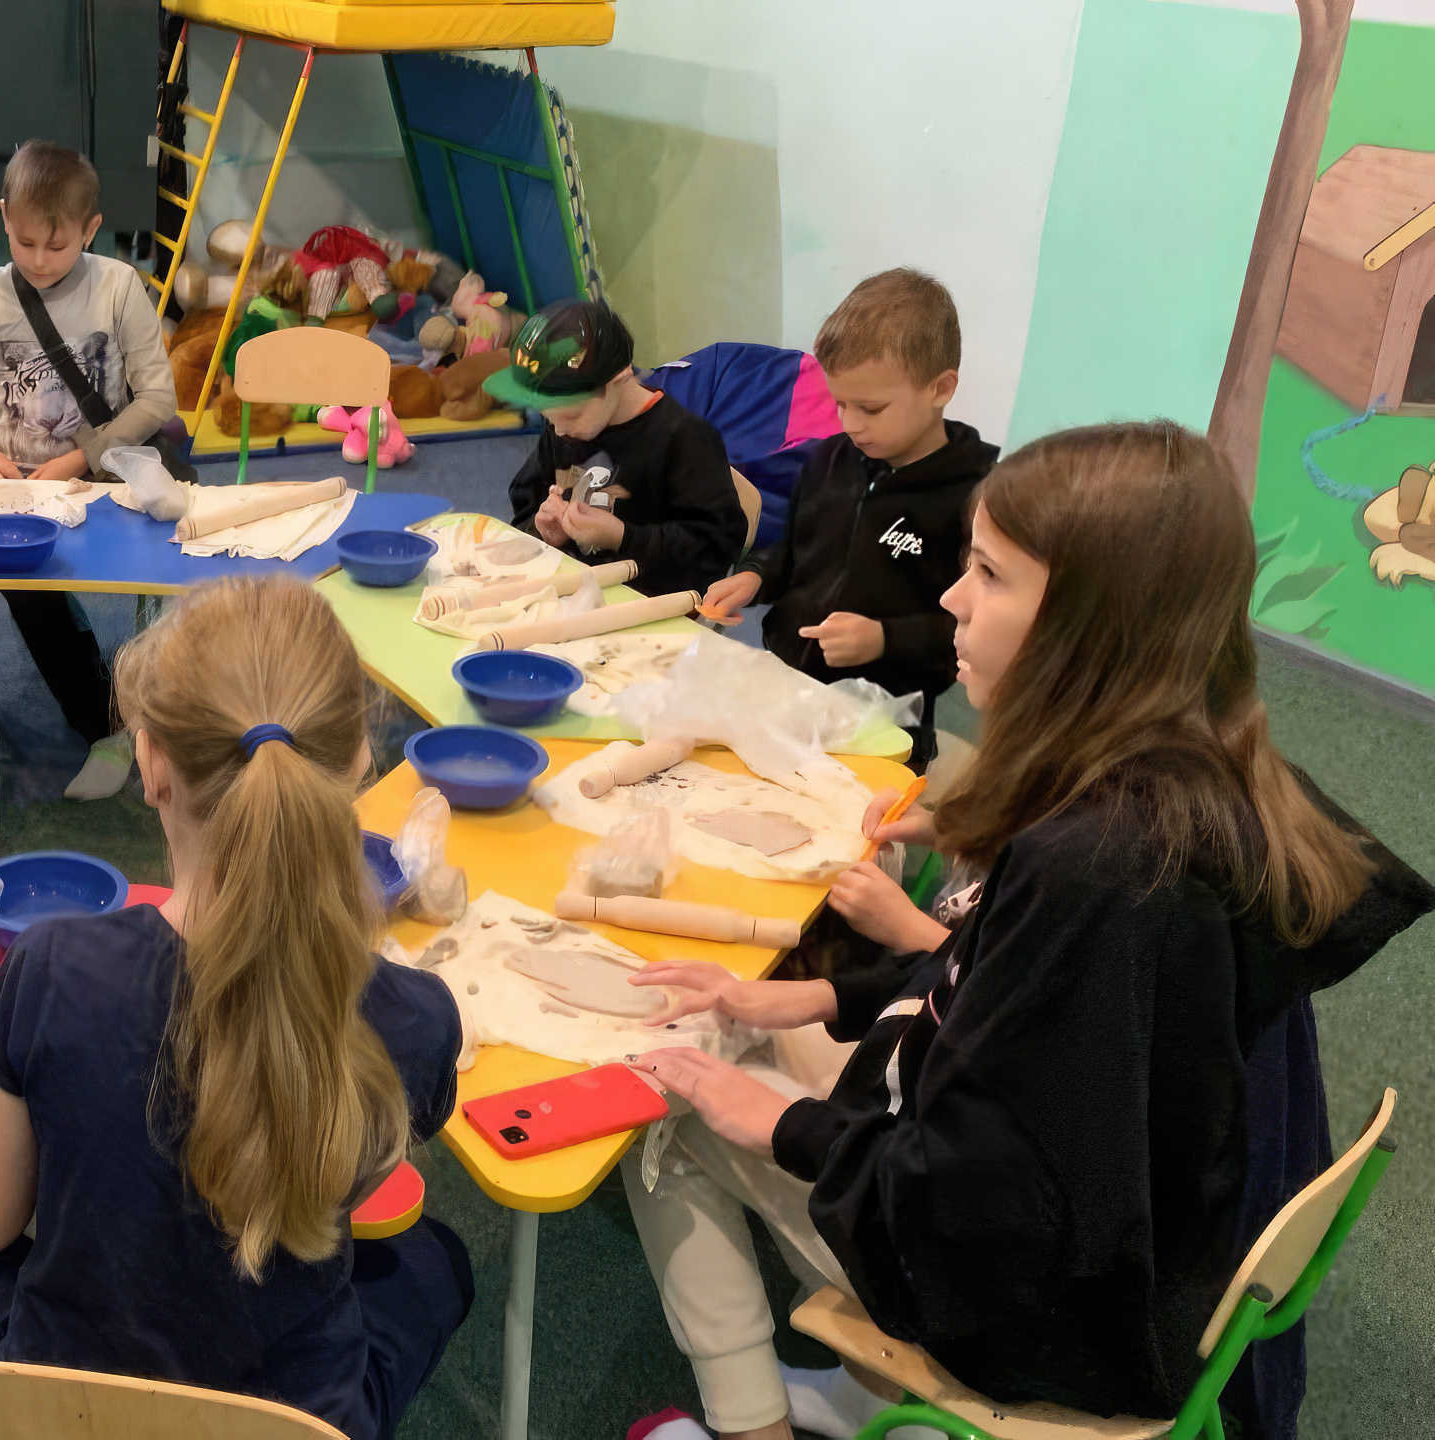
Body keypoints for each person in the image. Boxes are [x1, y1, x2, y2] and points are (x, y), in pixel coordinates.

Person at [615, 422, 1431, 1440]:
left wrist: (777, 1122)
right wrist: (821, 994)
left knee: (670, 1101)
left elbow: (977, 1199)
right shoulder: (1206, 764)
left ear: (1093, 624)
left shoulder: (1093, 868)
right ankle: (855, 1393)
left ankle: (750, 1426)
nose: (953, 597)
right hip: (1166, 1240)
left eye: (990, 575)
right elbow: (1002, 990)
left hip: (1060, 1314)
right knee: (756, 1032)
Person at [0, 575, 473, 1440]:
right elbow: (354, 1175)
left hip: (64, 1414)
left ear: (150, 761)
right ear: (358, 765)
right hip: (292, 1417)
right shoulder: (416, 1017)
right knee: (433, 1260)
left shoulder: (54, 967)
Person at [0, 139, 176, 801]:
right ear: (5, 217)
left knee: (32, 590)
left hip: (96, 476)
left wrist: (81, 458)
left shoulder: (118, 289)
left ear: (90, 228)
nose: (39, 261)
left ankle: (106, 727)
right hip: (6, 476)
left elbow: (158, 399)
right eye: (25, 243)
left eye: (57, 247)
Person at [701, 270, 998, 769]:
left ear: (940, 388)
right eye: (840, 403)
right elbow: (792, 548)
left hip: (886, 722)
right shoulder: (829, 459)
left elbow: (976, 631)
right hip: (789, 686)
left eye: (871, 407)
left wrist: (884, 638)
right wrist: (756, 574)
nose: (850, 424)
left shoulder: (978, 495)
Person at [496, 299, 746, 597]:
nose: (559, 430)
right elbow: (525, 505)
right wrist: (544, 531)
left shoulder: (684, 437)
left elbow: (715, 549)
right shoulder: (564, 426)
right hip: (572, 590)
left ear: (620, 377)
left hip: (649, 607)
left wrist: (622, 537)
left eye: (570, 414)